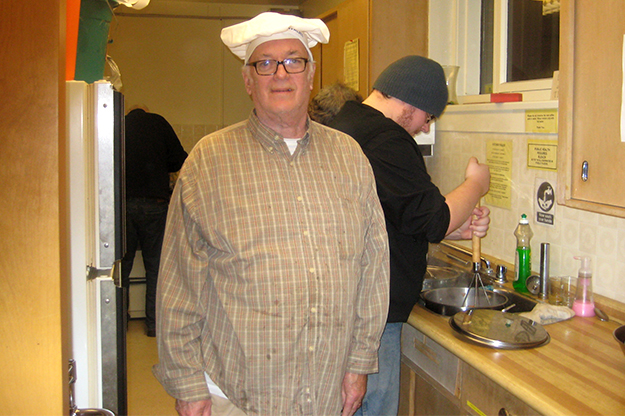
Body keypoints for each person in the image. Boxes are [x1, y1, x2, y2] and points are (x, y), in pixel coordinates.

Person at [152, 12, 390, 416]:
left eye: (294, 60)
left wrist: (359, 362)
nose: (281, 73)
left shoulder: (349, 157)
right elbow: (179, 283)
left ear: (311, 74)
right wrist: (187, 384)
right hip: (236, 394)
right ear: (248, 80)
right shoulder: (209, 161)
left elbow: (374, 267)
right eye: (265, 63)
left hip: (327, 389)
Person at [326, 55, 491, 416]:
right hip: (371, 314)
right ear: (411, 104)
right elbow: (433, 220)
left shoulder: (346, 124)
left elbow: (389, 215)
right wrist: (475, 186)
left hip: (343, 303)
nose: (424, 127)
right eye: (427, 117)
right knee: (372, 408)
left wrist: (455, 228)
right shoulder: (387, 139)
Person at [121, 105, 188, 337]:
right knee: (155, 267)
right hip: (155, 204)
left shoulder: (118, 124)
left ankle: (120, 322)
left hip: (123, 205)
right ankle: (153, 324)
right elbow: (181, 160)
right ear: (146, 111)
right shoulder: (159, 122)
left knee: (122, 266)